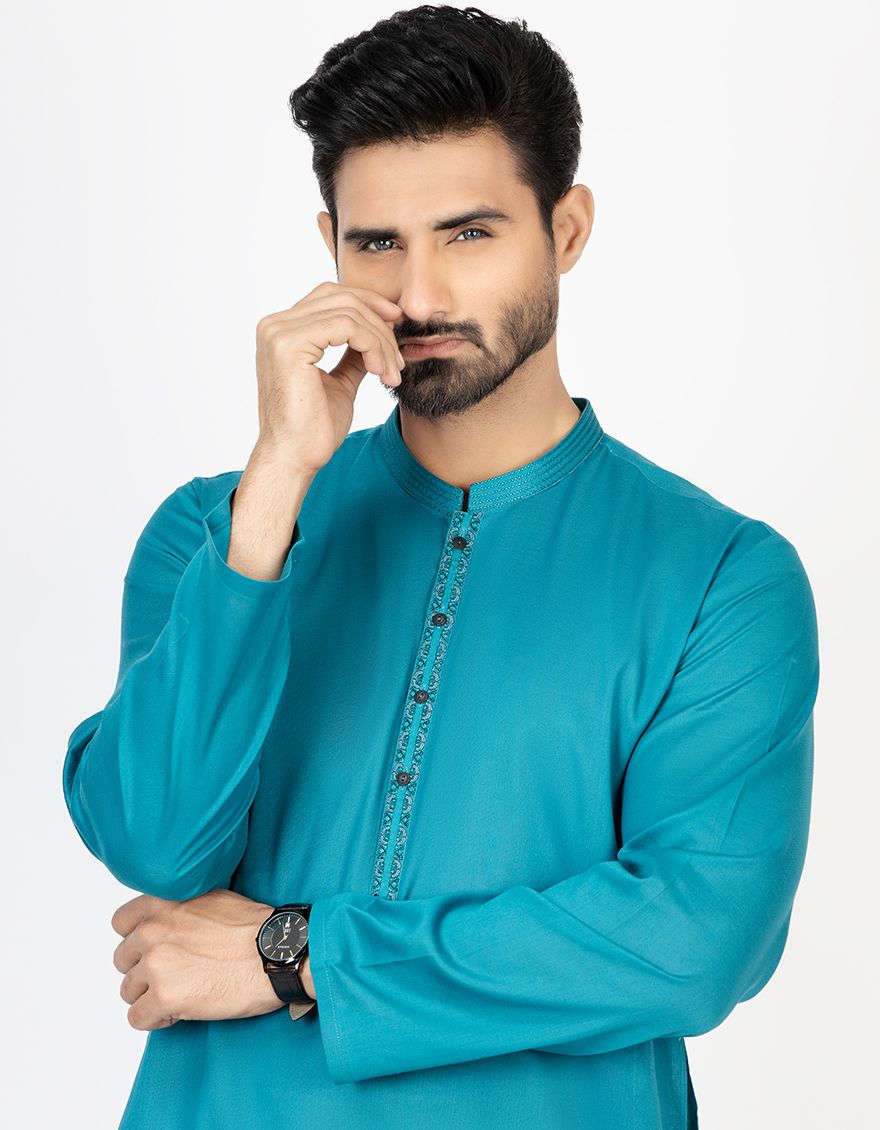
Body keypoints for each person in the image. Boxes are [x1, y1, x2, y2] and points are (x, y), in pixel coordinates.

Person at [61, 6, 820, 1128]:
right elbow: (156, 842)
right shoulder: (215, 532)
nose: (417, 296)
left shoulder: (720, 576)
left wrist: (294, 952)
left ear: (566, 229)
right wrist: (275, 485)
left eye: (468, 234)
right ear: (330, 243)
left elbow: (695, 939)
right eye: (378, 244)